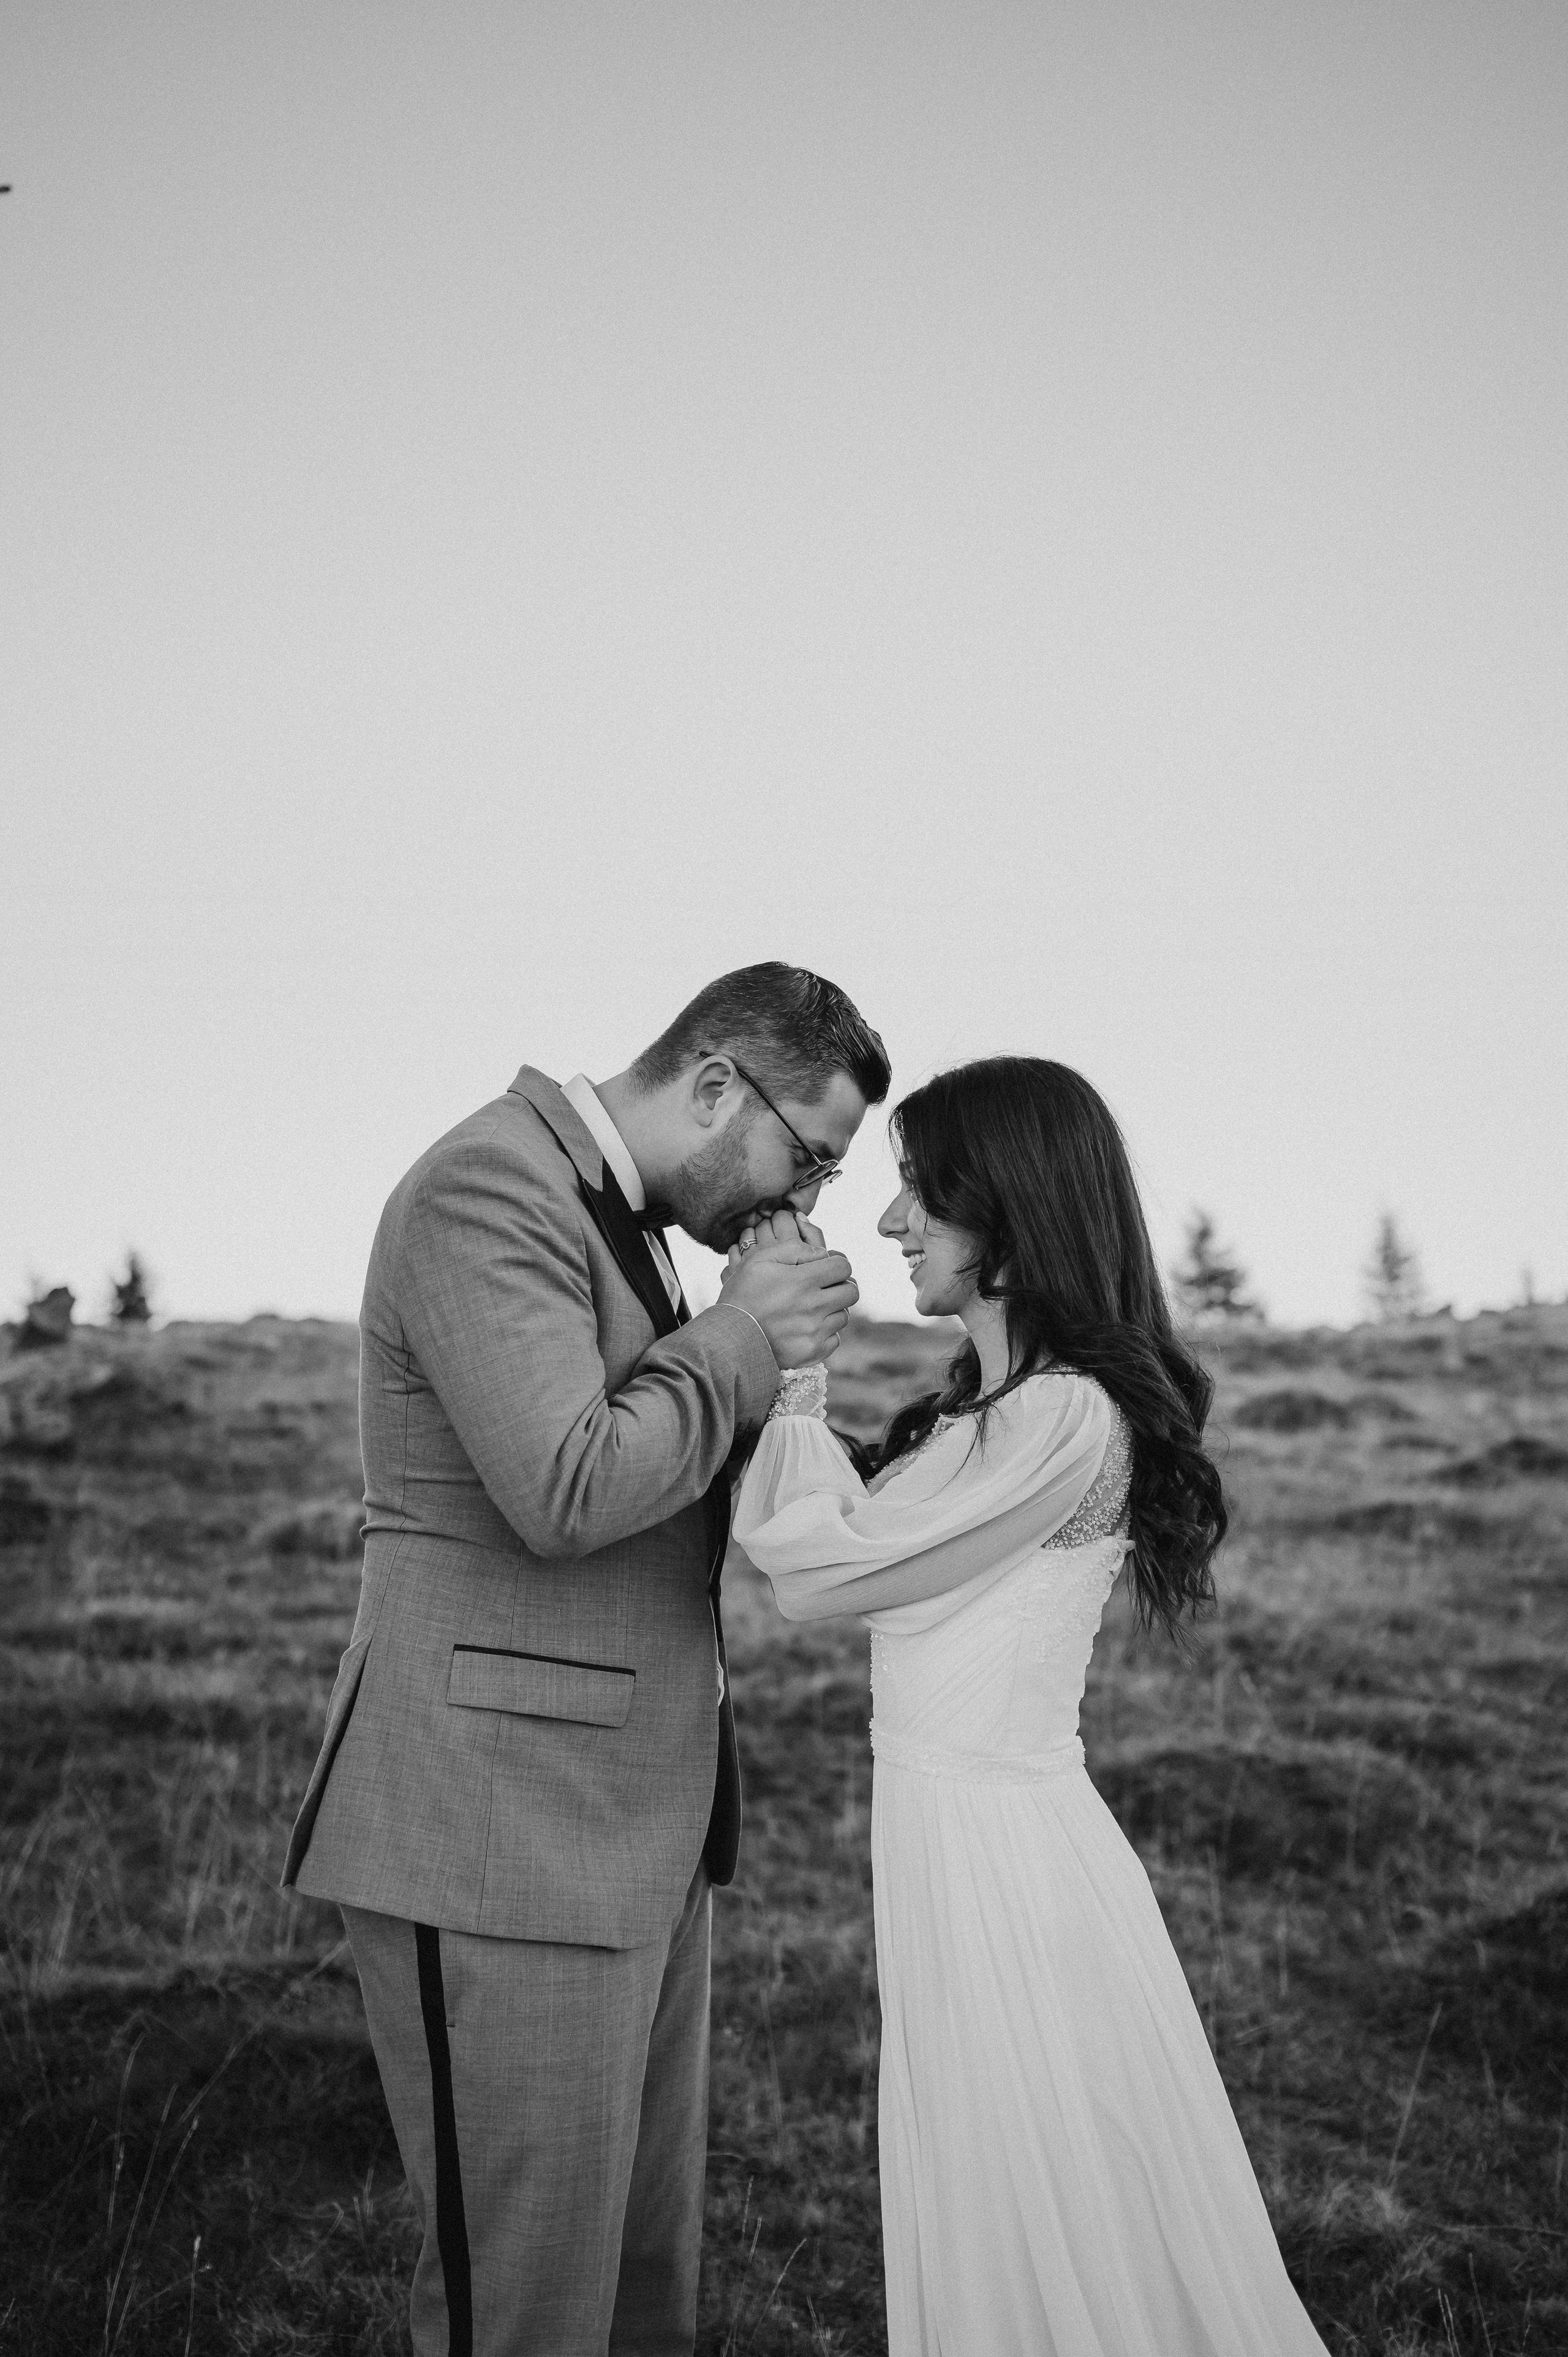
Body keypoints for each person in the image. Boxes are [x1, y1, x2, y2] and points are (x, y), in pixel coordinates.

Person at [282, 962, 886, 2357]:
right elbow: (565, 1484)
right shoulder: (488, 1188)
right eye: (809, 1155)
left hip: (634, 1830)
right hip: (494, 1832)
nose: (809, 1196)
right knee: (528, 2306)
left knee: (635, 2289)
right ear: (717, 1085)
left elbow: (670, 1473)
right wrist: (745, 1335)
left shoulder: (638, 1226)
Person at [732, 1057, 1330, 2357]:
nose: (892, 1221)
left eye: (920, 1192)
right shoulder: (977, 1418)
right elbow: (822, 1535)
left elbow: (817, 1570)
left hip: (1008, 1860)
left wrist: (790, 1369)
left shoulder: (1062, 1420)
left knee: (1054, 2177)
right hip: (948, 1843)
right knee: (999, 2175)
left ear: (1008, 1210)